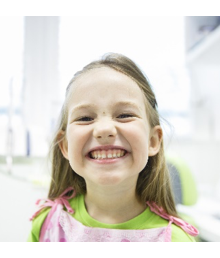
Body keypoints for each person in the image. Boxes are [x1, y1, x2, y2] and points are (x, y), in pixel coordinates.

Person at [28, 53, 199, 242]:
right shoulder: (47, 225)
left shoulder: (175, 238)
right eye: (85, 118)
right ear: (66, 146)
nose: (104, 129)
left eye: (124, 115)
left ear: (153, 141)